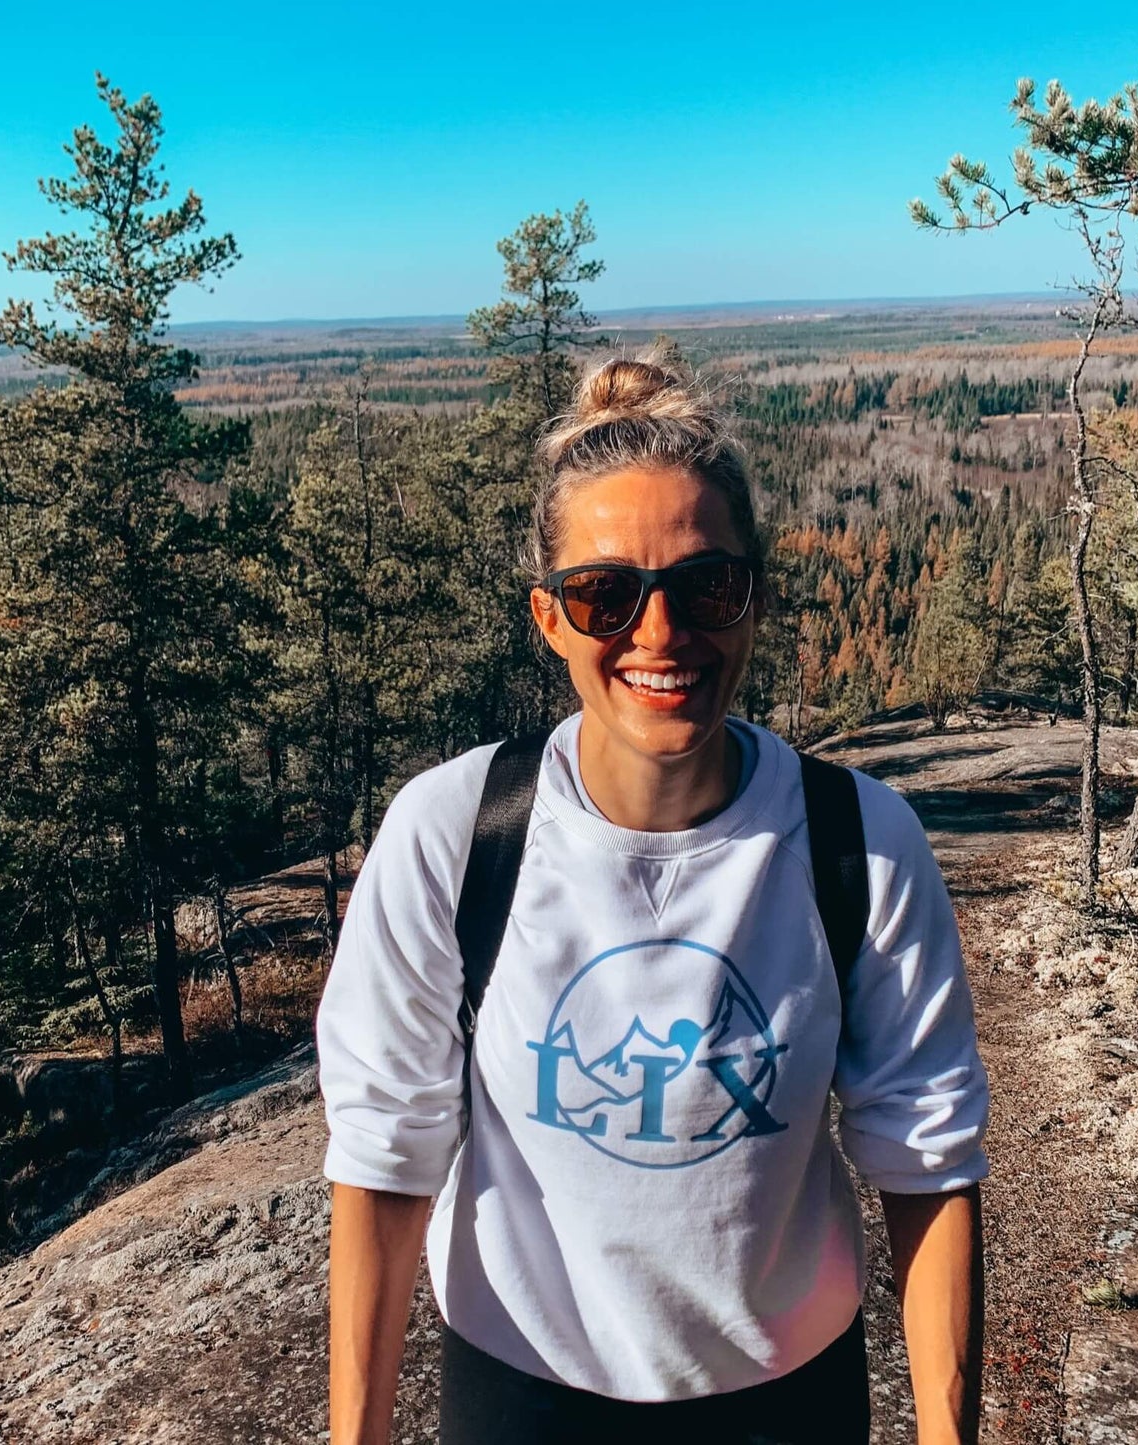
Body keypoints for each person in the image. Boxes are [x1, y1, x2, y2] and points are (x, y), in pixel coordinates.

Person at [317, 347, 990, 1445]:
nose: (659, 631)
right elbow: (384, 1155)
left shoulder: (856, 843)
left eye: (703, 584)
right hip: (521, 1388)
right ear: (548, 618)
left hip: (787, 1396)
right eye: (603, 592)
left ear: (752, 598)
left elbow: (929, 1158)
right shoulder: (453, 833)